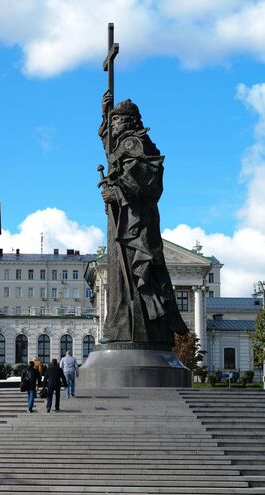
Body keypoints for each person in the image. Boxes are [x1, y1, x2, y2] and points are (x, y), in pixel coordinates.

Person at [98, 94, 187, 345]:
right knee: (119, 275)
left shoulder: (137, 143)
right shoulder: (125, 143)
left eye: (116, 120)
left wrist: (117, 192)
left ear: (129, 121)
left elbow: (148, 179)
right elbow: (111, 152)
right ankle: (122, 326)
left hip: (137, 223)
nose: (113, 125)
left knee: (134, 274)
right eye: (112, 121)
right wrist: (104, 114)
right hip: (123, 218)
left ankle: (137, 329)